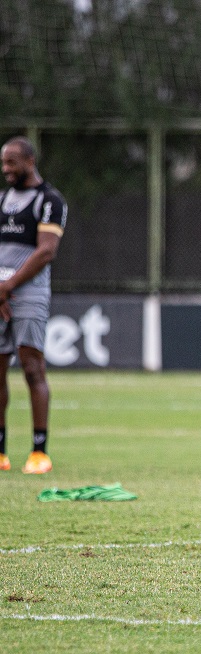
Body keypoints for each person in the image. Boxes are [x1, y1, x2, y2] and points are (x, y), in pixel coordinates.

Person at [0, 137, 67, 474]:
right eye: (3, 163)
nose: (6, 169)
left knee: (31, 368)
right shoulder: (2, 200)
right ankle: (1, 451)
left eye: (12, 162)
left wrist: (9, 285)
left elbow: (46, 251)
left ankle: (39, 451)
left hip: (28, 293)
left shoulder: (50, 201)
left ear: (30, 160)